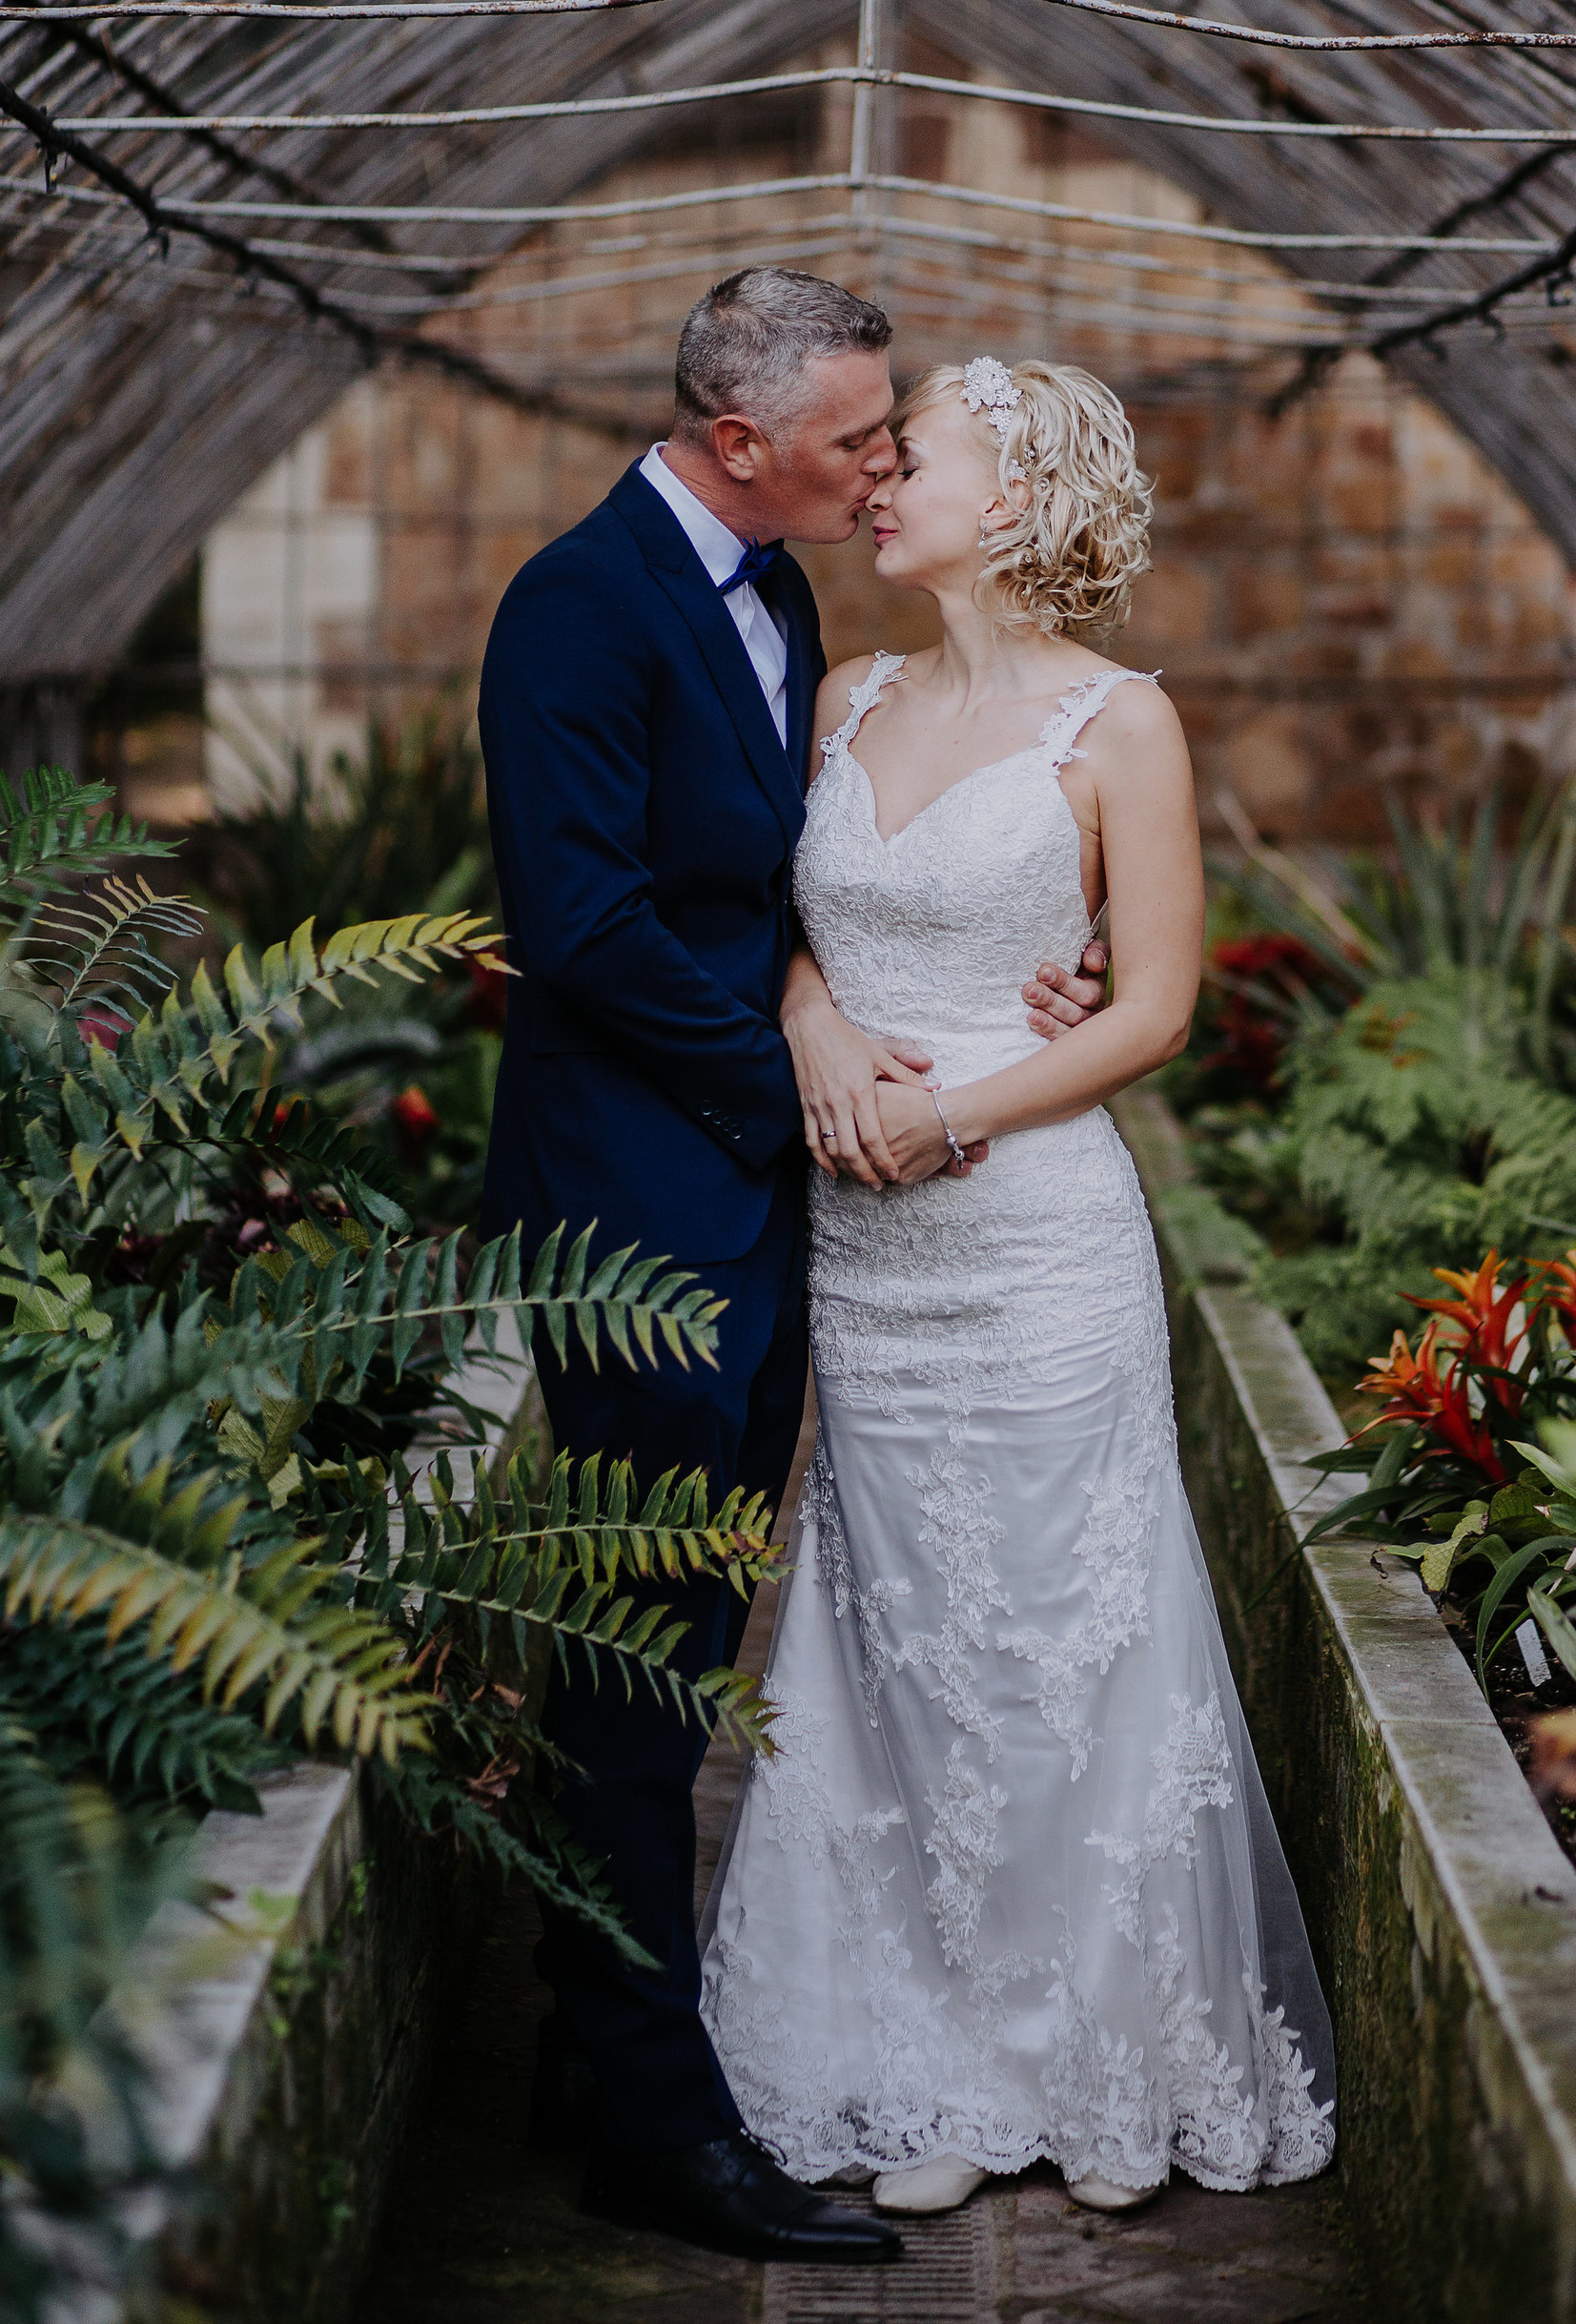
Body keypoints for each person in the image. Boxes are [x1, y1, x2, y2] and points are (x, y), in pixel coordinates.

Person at [478, 275, 1108, 2266]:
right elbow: (580, 931)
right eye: (858, 437)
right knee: (631, 1679)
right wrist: (800, 1054)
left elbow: (777, 883)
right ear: (740, 441)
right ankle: (662, 2129)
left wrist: (953, 991)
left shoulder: (784, 597)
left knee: (670, 1656)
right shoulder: (578, 607)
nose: (886, 461)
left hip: (760, 1222)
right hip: (636, 1224)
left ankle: (604, 2046)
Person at [700, 357, 1337, 2213]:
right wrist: (822, 1038)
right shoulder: (846, 695)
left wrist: (948, 1112)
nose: (882, 481)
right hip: (872, 1253)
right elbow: (784, 929)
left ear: (1031, 498)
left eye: (924, 459)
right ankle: (920, 2045)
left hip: (1036, 1230)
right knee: (900, 1630)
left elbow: (1151, 1006)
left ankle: (1065, 2054)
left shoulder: (1124, 727)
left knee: (1062, 1631)